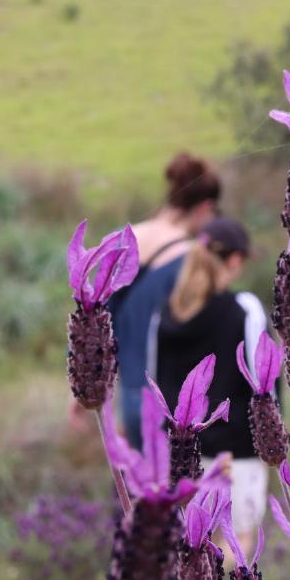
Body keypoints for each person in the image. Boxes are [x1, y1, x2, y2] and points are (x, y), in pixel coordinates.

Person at [151, 216, 269, 559]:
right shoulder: (244, 309)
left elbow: (154, 384)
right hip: (237, 452)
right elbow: (265, 384)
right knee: (236, 545)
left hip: (179, 455)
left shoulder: (166, 315)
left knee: (188, 549)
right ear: (234, 260)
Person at [109, 153, 221, 449]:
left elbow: (97, 314)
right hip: (170, 402)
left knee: (137, 490)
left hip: (128, 393)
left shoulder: (123, 239)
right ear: (206, 207)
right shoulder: (192, 258)